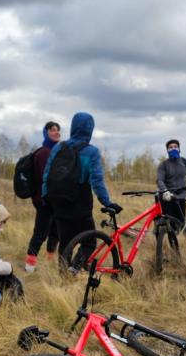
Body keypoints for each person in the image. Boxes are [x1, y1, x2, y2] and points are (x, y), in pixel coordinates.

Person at [41, 112, 122, 266]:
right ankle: (76, 268)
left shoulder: (59, 147)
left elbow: (47, 174)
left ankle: (64, 276)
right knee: (89, 243)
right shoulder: (91, 152)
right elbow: (97, 181)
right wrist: (107, 202)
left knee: (65, 242)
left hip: (58, 201)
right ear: (90, 129)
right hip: (80, 203)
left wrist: (46, 197)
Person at [24, 121, 62, 272]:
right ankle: (29, 266)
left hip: (53, 199)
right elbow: (45, 177)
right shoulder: (44, 152)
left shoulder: (54, 152)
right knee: (41, 232)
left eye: (58, 130)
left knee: (55, 230)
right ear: (46, 133)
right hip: (44, 200)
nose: (57, 132)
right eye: (53, 130)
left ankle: (49, 261)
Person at [156, 139, 186, 232]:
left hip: (180, 198)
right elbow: (159, 180)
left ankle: (183, 242)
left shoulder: (185, 162)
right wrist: (165, 191)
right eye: (170, 147)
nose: (173, 149)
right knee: (168, 224)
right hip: (167, 198)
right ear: (167, 150)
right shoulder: (164, 165)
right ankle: (165, 241)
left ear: (179, 149)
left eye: (175, 147)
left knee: (181, 223)